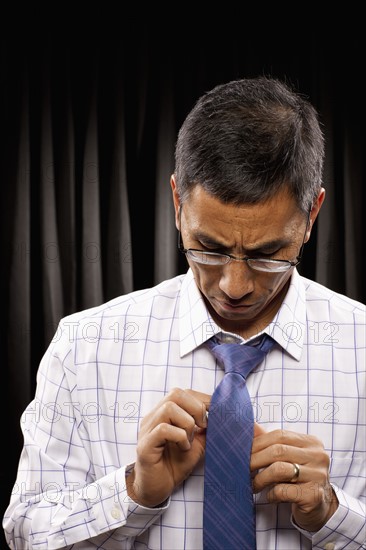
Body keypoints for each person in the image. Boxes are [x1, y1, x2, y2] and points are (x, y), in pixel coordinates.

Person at [3, 76, 365, 550]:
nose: (234, 287)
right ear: (177, 204)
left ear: (312, 215)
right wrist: (133, 491)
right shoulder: (82, 348)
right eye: (207, 248)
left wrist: (333, 514)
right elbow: (25, 532)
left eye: (268, 254)